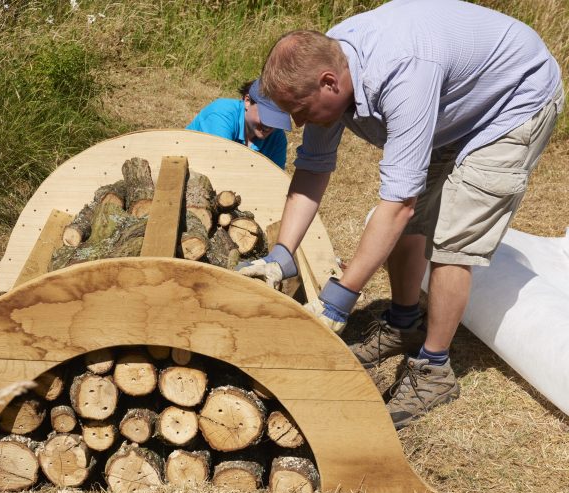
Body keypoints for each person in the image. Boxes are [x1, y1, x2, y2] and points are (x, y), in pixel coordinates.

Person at [238, 0, 564, 429]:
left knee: (452, 239)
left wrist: (341, 296)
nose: (296, 124)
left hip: (511, 102)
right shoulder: (327, 64)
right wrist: (282, 254)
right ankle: (403, 322)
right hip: (451, 99)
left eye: (299, 113)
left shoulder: (402, 73)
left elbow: (398, 202)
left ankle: (433, 370)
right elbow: (313, 167)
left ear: (330, 83)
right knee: (412, 220)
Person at [186, 79, 292, 169]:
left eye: (277, 119)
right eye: (266, 117)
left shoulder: (277, 137)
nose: (270, 126)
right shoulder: (221, 114)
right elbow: (220, 168)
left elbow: (274, 182)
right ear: (247, 101)